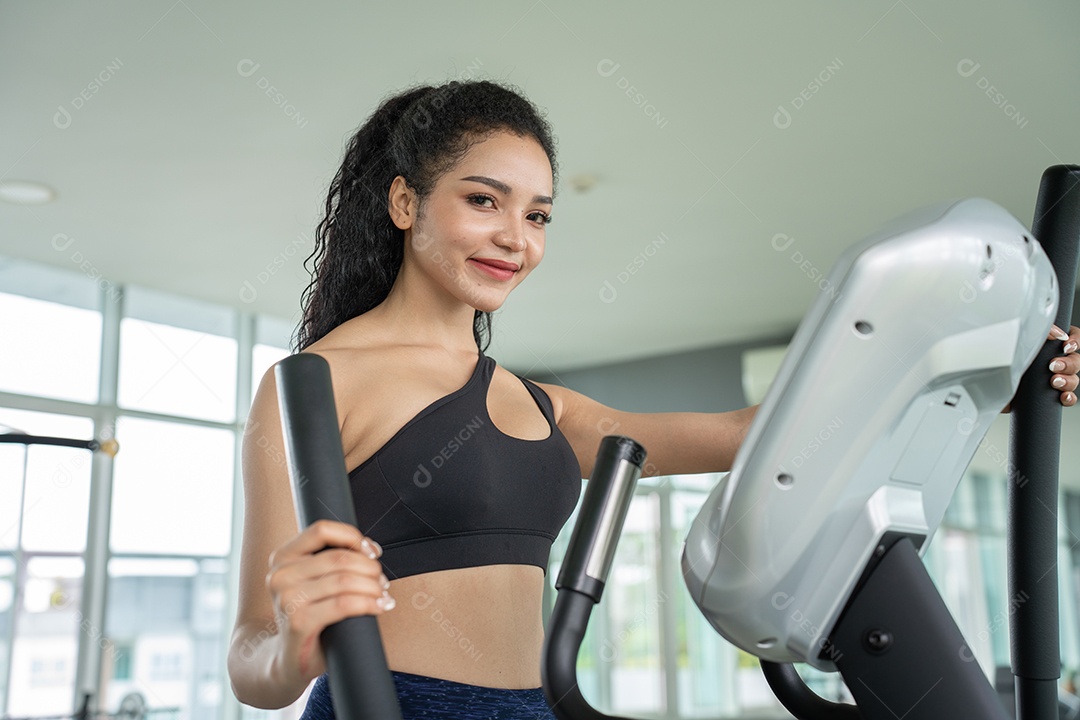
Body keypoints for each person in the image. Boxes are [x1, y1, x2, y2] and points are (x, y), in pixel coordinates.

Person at [225, 79, 1080, 720]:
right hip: (393, 703)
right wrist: (296, 646)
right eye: (483, 201)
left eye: (539, 215)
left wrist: (995, 373)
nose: (515, 239)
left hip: (544, 706)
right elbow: (248, 657)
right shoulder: (313, 383)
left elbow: (770, 433)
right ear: (406, 201)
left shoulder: (545, 407)